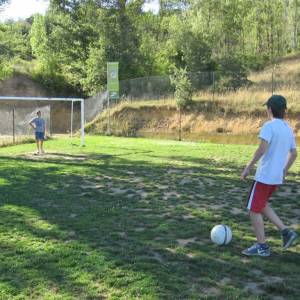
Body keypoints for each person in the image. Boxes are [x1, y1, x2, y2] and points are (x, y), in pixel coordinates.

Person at [241, 95, 298, 257]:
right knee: (261, 204)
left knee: (253, 209)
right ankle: (286, 232)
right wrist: (284, 171)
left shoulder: (269, 126)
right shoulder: (287, 128)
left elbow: (261, 149)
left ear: (270, 109)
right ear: (284, 111)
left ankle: (262, 246)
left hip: (264, 176)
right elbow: (294, 153)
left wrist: (247, 168)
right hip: (275, 178)